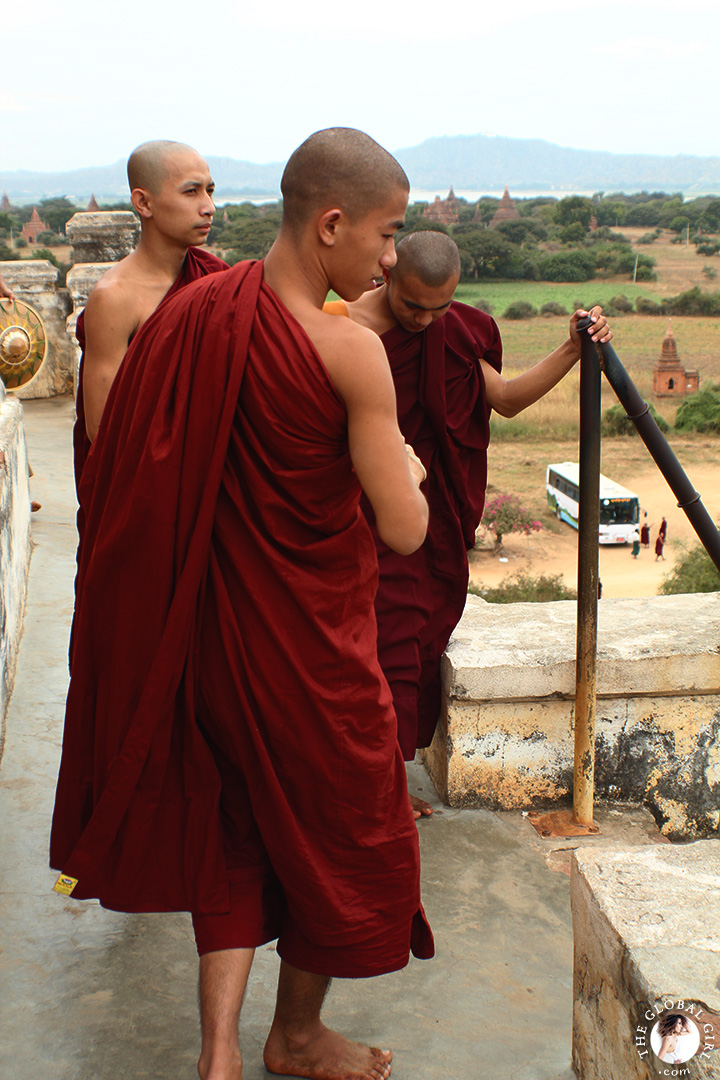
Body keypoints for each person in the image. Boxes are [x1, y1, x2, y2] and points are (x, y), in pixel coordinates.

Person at [51, 128, 434, 1080]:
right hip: (311, 647)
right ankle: (296, 1034)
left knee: (228, 827)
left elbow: (131, 474)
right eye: (386, 236)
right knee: (349, 828)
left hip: (210, 639)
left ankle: (218, 1052)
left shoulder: (193, 312)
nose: (391, 259)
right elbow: (406, 532)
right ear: (333, 224)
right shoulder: (348, 350)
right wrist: (409, 471)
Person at [326, 231, 611, 816]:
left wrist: (572, 350)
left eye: (441, 307)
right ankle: (363, 791)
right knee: (370, 652)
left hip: (430, 524)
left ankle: (388, 787)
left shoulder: (460, 330)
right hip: (355, 517)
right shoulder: (340, 323)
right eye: (413, 306)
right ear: (388, 277)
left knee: (413, 647)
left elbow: (504, 399)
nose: (427, 321)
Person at [74, 139, 227, 485]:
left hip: (211, 475)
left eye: (210, 191)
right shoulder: (115, 298)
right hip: (146, 486)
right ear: (144, 202)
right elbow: (103, 429)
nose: (209, 207)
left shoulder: (216, 277)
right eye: (191, 192)